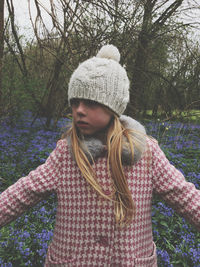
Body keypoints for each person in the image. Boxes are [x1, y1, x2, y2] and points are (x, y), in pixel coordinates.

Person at [0, 44, 200, 267]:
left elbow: (186, 198)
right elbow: (22, 193)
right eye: (75, 102)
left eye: (91, 102)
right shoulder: (66, 154)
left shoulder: (146, 153)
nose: (79, 110)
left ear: (113, 107)